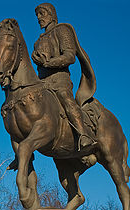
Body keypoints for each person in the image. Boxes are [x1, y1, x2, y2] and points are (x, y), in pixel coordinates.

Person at [32, 3, 96, 151]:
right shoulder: (38, 41)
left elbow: (69, 56)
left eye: (42, 14)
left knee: (66, 99)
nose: (39, 18)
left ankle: (83, 134)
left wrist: (48, 62)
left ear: (52, 14)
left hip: (59, 80)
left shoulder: (62, 30)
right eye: (37, 16)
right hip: (42, 82)